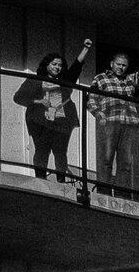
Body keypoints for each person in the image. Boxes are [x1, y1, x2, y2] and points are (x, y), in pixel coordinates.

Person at [85, 38, 139, 199]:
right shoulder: (101, 78)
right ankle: (104, 193)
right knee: (106, 159)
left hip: (129, 123)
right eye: (118, 64)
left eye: (124, 65)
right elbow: (91, 99)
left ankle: (122, 196)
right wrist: (99, 114)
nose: (121, 68)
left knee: (125, 163)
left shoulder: (130, 80)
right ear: (111, 64)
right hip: (110, 122)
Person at [13, 43, 90, 181]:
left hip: (61, 121)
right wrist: (39, 101)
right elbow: (18, 97)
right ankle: (40, 179)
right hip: (40, 121)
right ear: (46, 65)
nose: (57, 67)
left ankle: (61, 181)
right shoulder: (36, 80)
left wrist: (85, 49)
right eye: (54, 64)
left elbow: (76, 67)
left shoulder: (64, 81)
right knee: (42, 150)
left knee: (61, 152)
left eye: (59, 65)